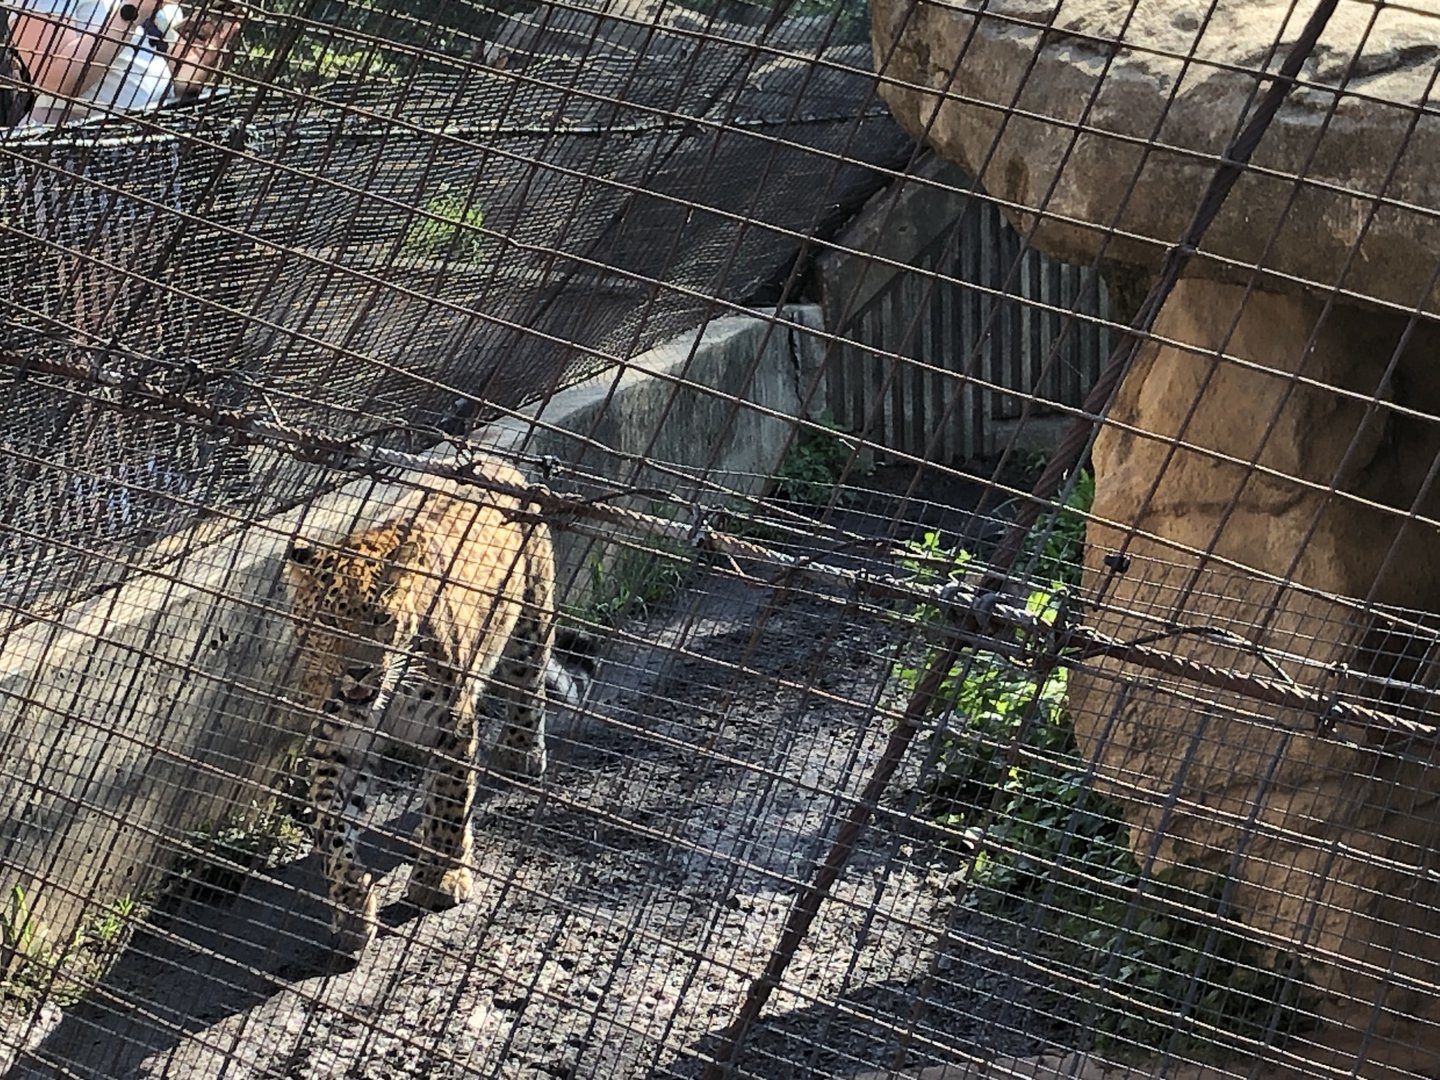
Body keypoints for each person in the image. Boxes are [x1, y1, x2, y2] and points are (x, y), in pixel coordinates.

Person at [4, 0, 242, 127]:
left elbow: (175, 84)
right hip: (74, 159)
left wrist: (208, 50)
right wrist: (133, 12)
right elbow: (56, 81)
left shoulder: (166, 9)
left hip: (149, 156)